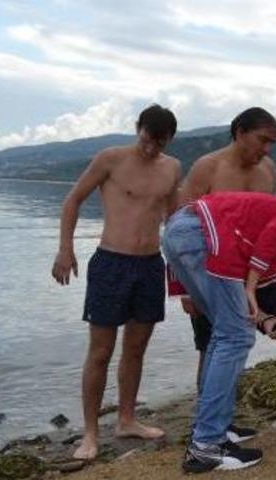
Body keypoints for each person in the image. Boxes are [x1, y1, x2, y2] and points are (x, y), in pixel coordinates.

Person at [174, 107, 276, 444]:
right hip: (214, 272)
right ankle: (212, 427)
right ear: (239, 132)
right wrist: (184, 289)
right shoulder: (208, 167)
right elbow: (181, 224)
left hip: (258, 274)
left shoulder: (268, 169)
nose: (267, 149)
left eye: (272, 142)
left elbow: (270, 224)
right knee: (214, 344)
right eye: (263, 140)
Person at [162, 192, 276, 473]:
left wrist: (266, 321)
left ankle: (210, 430)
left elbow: (237, 299)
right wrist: (254, 285)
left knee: (225, 334)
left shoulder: (259, 251)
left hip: (180, 234)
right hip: (200, 234)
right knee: (235, 337)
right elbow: (274, 233)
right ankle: (206, 445)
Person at [51, 104, 181, 460]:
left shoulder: (172, 168)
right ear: (137, 129)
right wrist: (66, 250)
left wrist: (185, 270)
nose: (151, 148)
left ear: (169, 140)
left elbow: (176, 220)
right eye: (146, 139)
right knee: (101, 352)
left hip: (151, 265)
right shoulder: (111, 159)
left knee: (135, 350)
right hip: (111, 263)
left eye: (159, 143)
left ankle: (126, 419)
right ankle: (90, 434)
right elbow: (73, 199)